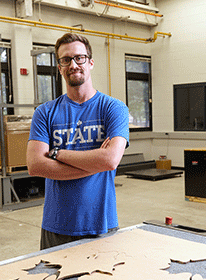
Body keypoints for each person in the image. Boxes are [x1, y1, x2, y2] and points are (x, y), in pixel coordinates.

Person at [27, 33, 129, 250]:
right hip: (56, 226)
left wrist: (57, 154)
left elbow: (110, 160)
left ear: (90, 62)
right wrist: (95, 163)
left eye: (79, 58)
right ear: (59, 67)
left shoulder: (113, 108)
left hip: (101, 223)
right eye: (66, 60)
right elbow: (35, 165)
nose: (73, 64)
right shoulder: (44, 113)